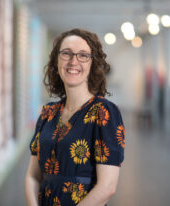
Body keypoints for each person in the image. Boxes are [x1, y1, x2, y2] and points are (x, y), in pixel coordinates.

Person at [25, 28, 125, 206]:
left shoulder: (104, 112)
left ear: (93, 64)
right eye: (66, 53)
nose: (73, 61)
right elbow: (33, 176)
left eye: (83, 55)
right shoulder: (48, 112)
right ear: (56, 61)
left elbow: (107, 187)